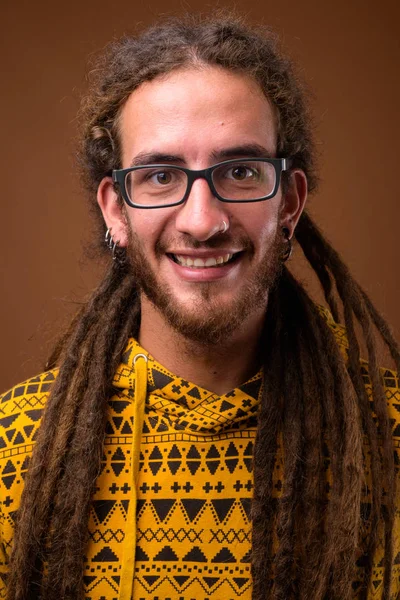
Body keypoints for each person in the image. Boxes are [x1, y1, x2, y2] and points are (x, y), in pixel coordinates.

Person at [0, 13, 399, 600]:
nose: (203, 221)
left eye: (240, 172)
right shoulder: (15, 449)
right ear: (117, 210)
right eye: (161, 175)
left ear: (289, 202)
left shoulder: (389, 436)